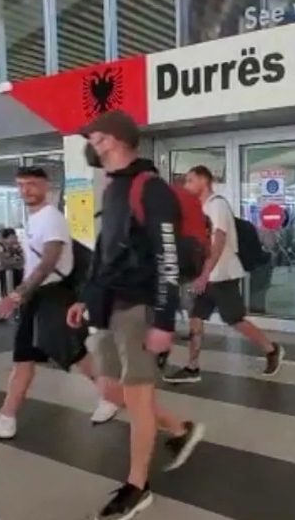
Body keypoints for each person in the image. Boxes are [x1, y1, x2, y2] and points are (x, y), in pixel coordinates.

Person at [68, 110, 205, 520]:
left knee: (139, 399)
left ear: (113, 139)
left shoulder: (151, 189)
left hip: (140, 306)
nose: (91, 144)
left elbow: (167, 259)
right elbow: (105, 251)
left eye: (95, 137)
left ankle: (137, 486)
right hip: (110, 305)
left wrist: (164, 321)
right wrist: (85, 297)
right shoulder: (114, 188)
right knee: (112, 392)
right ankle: (179, 430)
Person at [0, 167, 118, 440]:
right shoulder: (35, 218)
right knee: (24, 357)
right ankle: (7, 416)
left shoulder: (51, 218)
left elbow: (48, 262)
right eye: (21, 184)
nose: (25, 190)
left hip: (51, 295)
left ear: (45, 186)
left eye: (32, 184)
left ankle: (118, 399)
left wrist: (16, 295)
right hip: (38, 297)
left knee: (74, 353)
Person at [163, 165, 283, 384]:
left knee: (234, 319)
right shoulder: (200, 207)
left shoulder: (217, 205)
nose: (187, 185)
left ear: (204, 181)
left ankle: (271, 349)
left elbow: (218, 242)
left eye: (190, 180)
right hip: (207, 275)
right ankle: (192, 367)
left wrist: (205, 274)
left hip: (222, 274)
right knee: (196, 317)